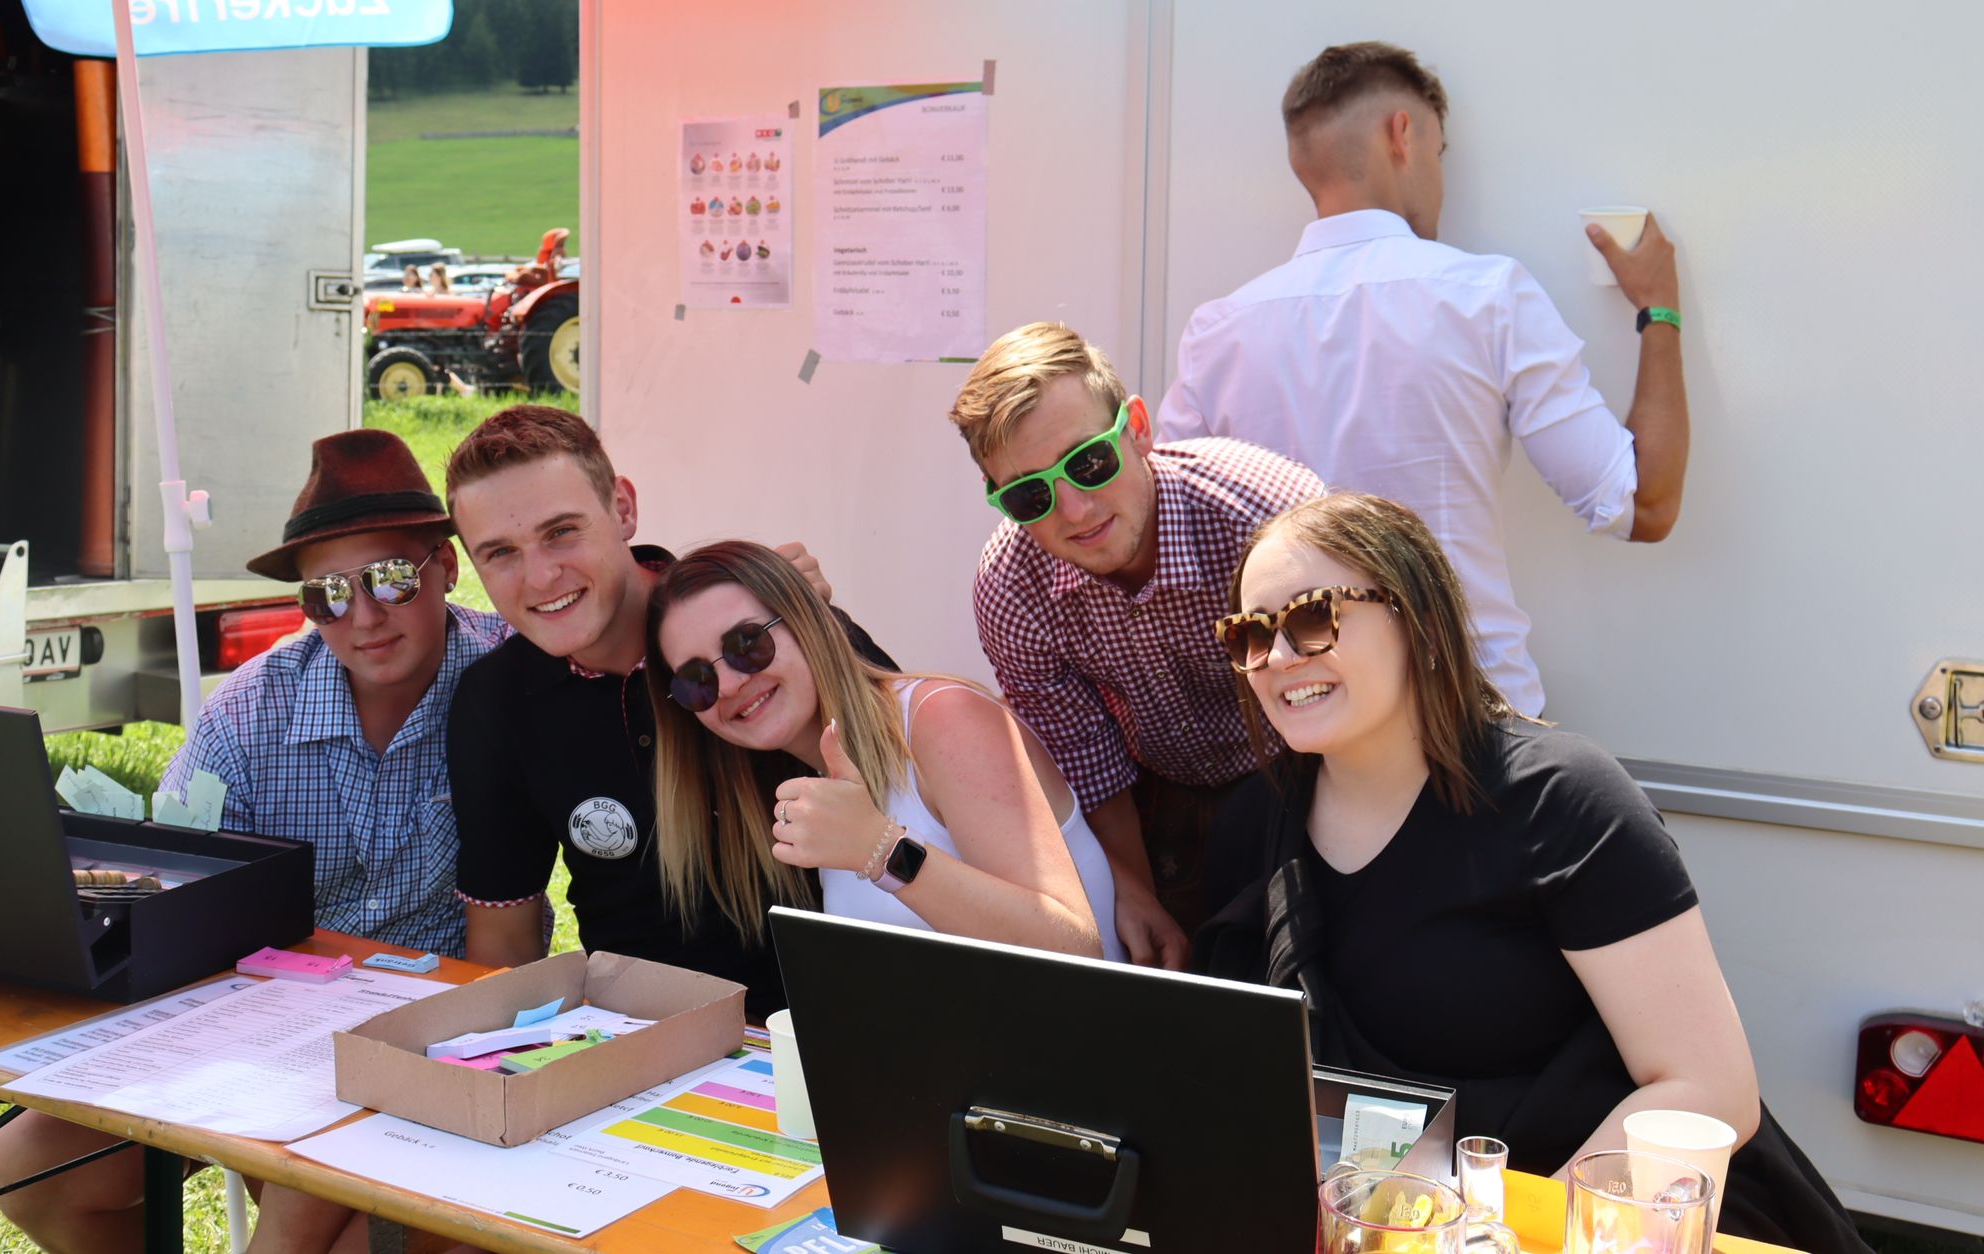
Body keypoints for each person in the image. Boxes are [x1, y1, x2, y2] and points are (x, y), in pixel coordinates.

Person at [1198, 492, 1869, 1251]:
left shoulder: (1565, 801)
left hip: (1606, 1227)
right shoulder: (1252, 823)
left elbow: (1711, 1091)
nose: (1279, 657)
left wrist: (1497, 1237)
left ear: (1418, 618)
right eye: (1252, 633)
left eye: (1312, 618)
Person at [0, 429, 505, 1254]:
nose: (365, 616)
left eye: (391, 578)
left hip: (440, 1036)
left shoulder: (509, 681)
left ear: (445, 566)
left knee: (317, 1234)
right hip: (262, 1027)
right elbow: (170, 882)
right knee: (31, 1175)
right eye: (328, 595)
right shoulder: (251, 711)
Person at [1159, 41, 1689, 718]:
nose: (1440, 179)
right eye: (1440, 154)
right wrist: (1660, 309)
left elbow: (1172, 552)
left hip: (1302, 720)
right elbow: (1642, 506)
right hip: (1468, 715)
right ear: (1402, 135)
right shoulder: (1487, 297)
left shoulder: (1218, 334)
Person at [443, 405, 892, 1016]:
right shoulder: (496, 698)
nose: (541, 577)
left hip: (835, 1028)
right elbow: (504, 944)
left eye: (561, 532)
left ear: (623, 509)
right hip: (637, 1040)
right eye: (500, 552)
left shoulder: (762, 629)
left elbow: (927, 819)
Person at [950, 323, 1324, 970]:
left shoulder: (1264, 515)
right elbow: (1085, 757)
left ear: (1139, 429)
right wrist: (1134, 891)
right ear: (998, 498)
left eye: (1088, 462)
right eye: (1030, 494)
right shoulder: (1012, 589)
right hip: (1154, 789)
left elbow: (1352, 679)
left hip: (1308, 763)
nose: (1075, 510)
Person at [649, 540, 1118, 960]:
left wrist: (880, 849)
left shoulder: (941, 718)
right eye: (696, 680)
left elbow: (1073, 948)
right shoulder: (814, 788)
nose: (729, 685)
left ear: (806, 618)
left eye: (746, 643)